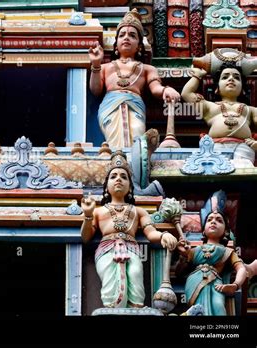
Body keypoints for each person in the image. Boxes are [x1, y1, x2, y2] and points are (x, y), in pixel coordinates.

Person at [81, 151, 177, 308]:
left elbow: (150, 232)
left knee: (135, 274)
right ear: (107, 186)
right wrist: (87, 215)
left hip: (131, 248)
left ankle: (135, 309)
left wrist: (163, 235)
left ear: (130, 186)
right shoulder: (98, 211)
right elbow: (86, 237)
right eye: (113, 176)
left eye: (123, 177)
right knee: (111, 281)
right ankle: (111, 309)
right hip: (107, 249)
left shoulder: (138, 211)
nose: (118, 179)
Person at [89, 9, 180, 149]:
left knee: (136, 130)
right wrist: (96, 64)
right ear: (116, 44)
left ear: (139, 45)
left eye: (132, 35)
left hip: (135, 106)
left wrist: (166, 90)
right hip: (110, 107)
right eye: (122, 35)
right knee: (114, 137)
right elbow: (96, 90)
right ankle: (117, 160)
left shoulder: (147, 69)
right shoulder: (106, 67)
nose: (126, 38)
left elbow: (155, 88)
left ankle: (133, 162)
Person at [177, 192, 247, 316]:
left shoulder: (227, 252)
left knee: (219, 307)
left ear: (225, 231)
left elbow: (241, 269)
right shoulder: (196, 250)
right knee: (197, 310)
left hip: (216, 283)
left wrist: (235, 285)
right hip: (195, 281)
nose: (213, 222)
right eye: (209, 220)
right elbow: (180, 270)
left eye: (219, 220)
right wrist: (183, 254)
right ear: (203, 230)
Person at [181, 62, 257, 162]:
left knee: (243, 171)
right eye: (225, 77)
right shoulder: (209, 106)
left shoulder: (250, 110)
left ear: (242, 89)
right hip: (216, 146)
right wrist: (197, 75)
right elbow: (186, 94)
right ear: (217, 89)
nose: (231, 79)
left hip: (244, 147)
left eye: (237, 78)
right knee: (216, 172)